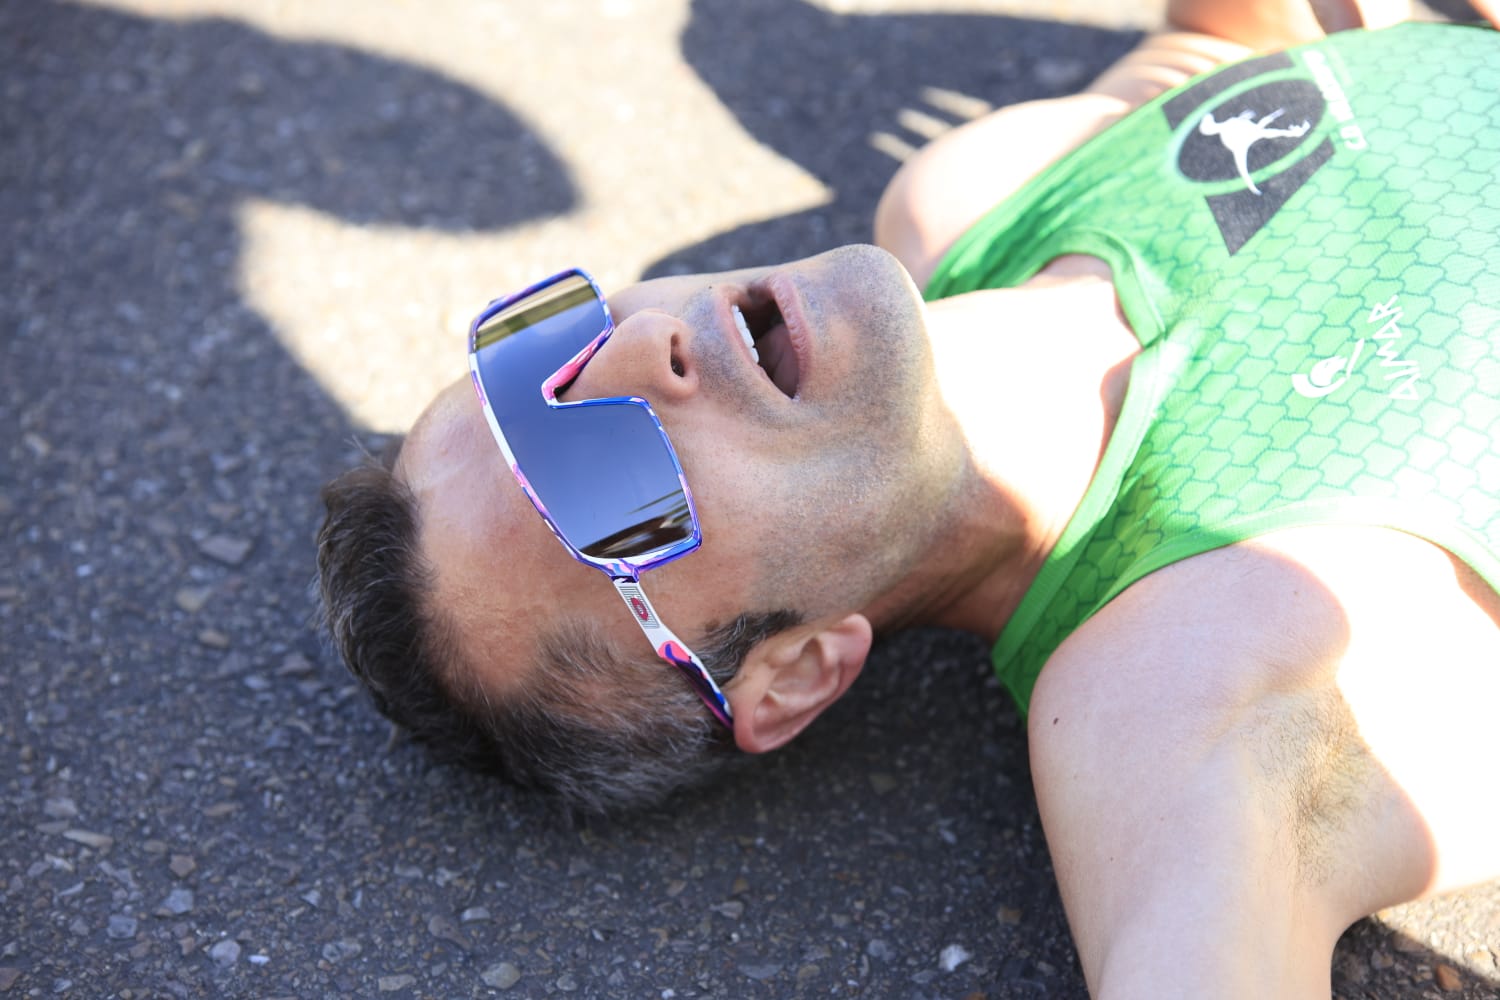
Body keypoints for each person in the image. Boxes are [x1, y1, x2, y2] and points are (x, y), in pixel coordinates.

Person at [316, 0, 1500, 995]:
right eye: (599, 485)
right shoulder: (1177, 678)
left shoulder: (977, 195)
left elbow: (1245, 35)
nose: (633, 358)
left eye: (543, 356)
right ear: (790, 672)